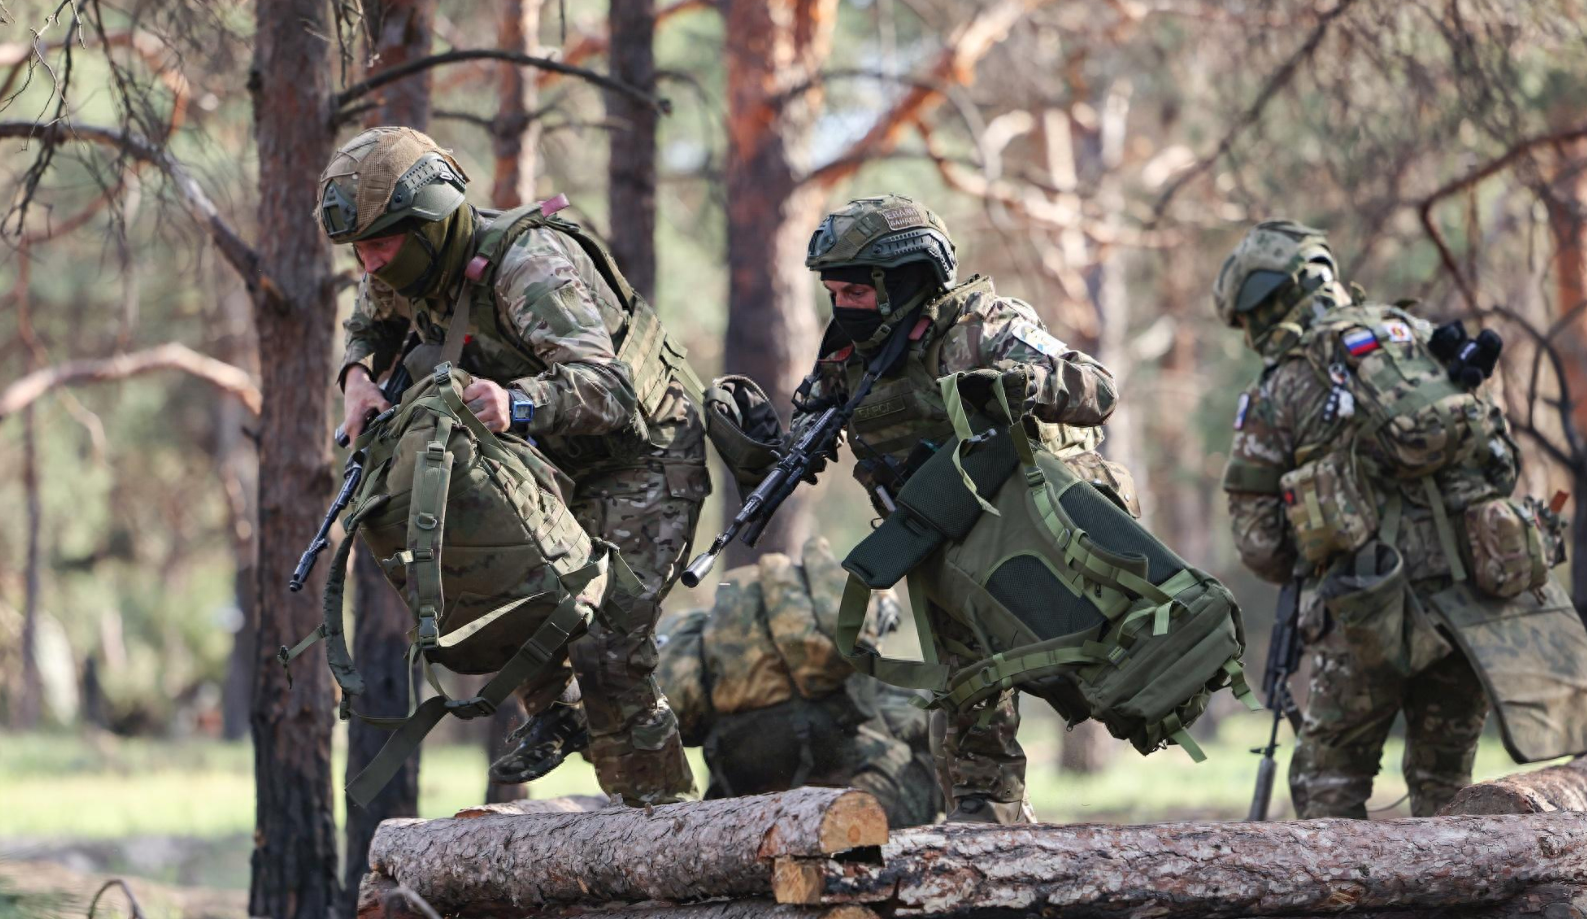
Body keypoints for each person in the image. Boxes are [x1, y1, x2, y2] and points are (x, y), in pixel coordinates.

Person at [316, 126, 708, 805]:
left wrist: (517, 402)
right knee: (495, 585)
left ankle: (666, 830)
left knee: (609, 647)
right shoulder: (403, 264)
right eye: (361, 250)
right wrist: (356, 375)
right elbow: (370, 317)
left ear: (429, 226)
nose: (371, 264)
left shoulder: (529, 264)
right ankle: (557, 712)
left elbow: (608, 389)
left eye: (381, 246)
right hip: (551, 457)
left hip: (643, 455)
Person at [780, 194, 1123, 824]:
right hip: (947, 547)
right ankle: (984, 818)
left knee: (1100, 674)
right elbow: (802, 435)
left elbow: (1098, 388)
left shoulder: (981, 330)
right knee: (966, 686)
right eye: (834, 294)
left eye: (857, 293)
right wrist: (759, 442)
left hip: (1039, 531)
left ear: (907, 281)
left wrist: (1025, 384)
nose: (842, 309)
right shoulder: (848, 364)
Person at [1216, 219, 1522, 818]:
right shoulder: (1424, 339)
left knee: (1329, 790)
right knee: (1447, 786)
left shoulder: (1285, 384)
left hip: (1361, 611)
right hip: (1470, 604)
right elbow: (1499, 466)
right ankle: (1460, 905)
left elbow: (1259, 545)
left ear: (1260, 304)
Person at [490, 537, 943, 828]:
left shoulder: (709, 642)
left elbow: (646, 718)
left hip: (743, 787)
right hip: (844, 793)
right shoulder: (862, 676)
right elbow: (918, 732)